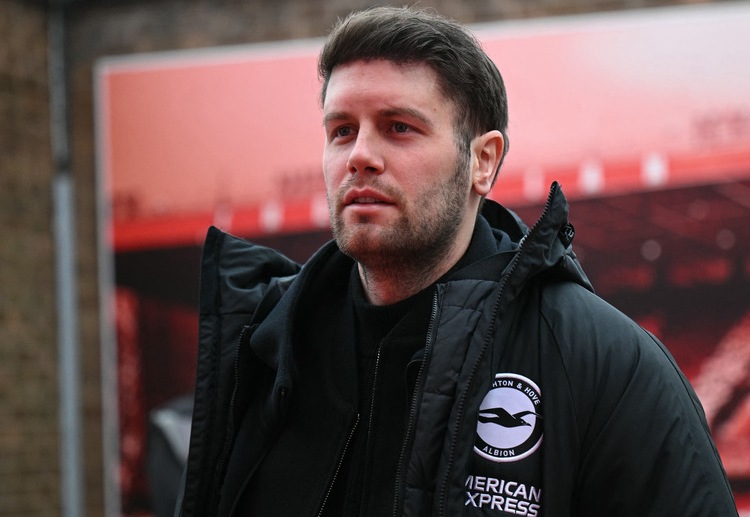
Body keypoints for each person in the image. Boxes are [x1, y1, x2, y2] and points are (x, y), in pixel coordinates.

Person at [174, 6, 737, 517]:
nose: (361, 156)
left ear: (482, 162)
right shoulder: (261, 352)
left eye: (399, 128)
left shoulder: (605, 364)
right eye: (342, 131)